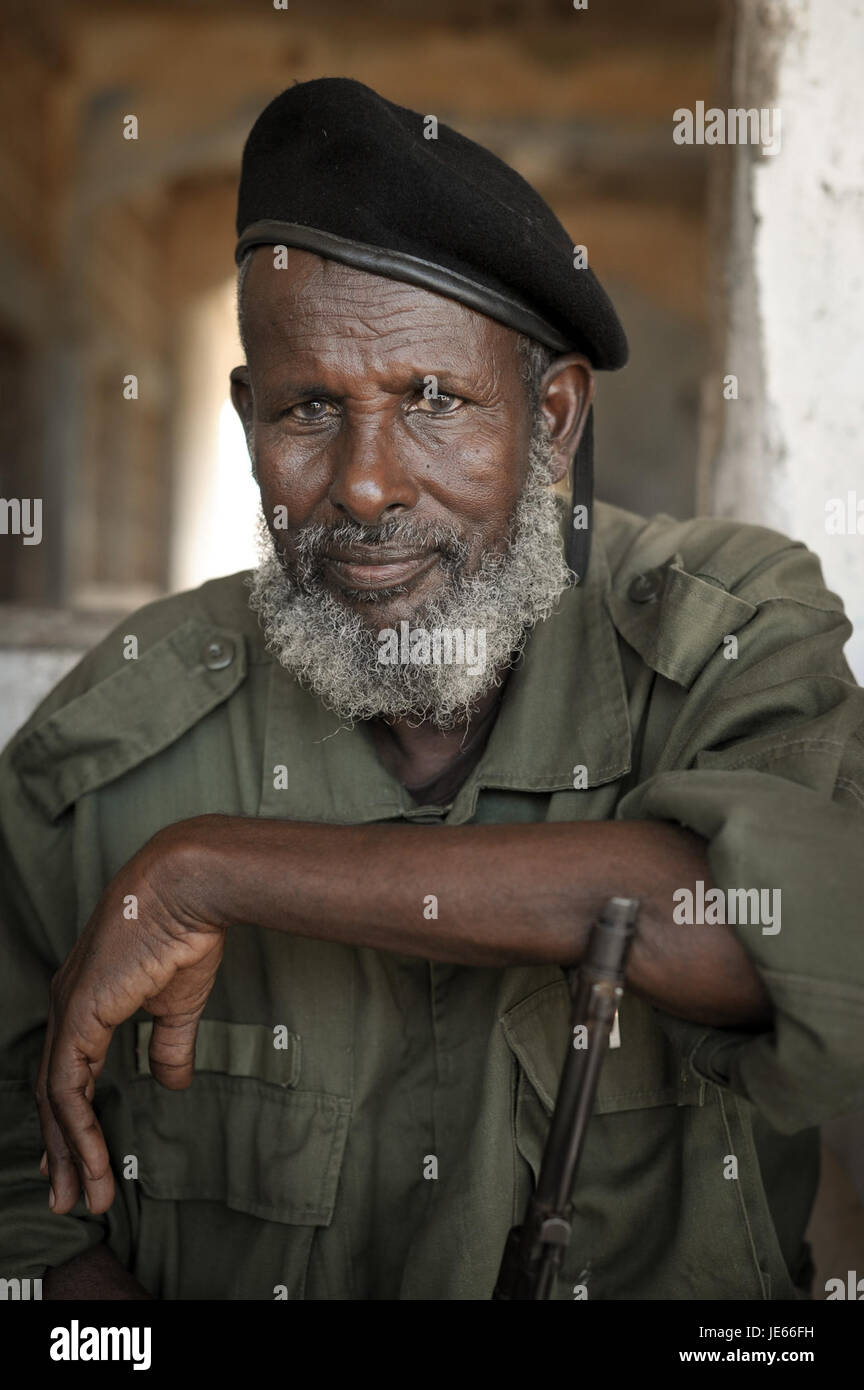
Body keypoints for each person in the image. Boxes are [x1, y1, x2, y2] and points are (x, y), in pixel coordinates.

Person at [1, 78, 862, 1301]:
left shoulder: (726, 632)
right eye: (308, 409)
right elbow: (16, 1205)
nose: (363, 484)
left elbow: (791, 944)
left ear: (553, 422)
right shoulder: (106, 753)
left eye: (434, 401)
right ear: (248, 422)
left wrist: (206, 871)